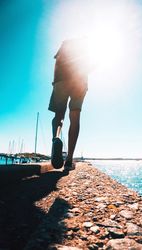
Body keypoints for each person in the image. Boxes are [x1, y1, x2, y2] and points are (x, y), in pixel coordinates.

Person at [48, 38, 91, 170]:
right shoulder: (84, 50)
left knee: (59, 115)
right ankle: (69, 159)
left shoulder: (62, 49)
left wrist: (56, 83)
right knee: (75, 117)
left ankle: (56, 138)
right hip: (79, 81)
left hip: (61, 81)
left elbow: (57, 66)